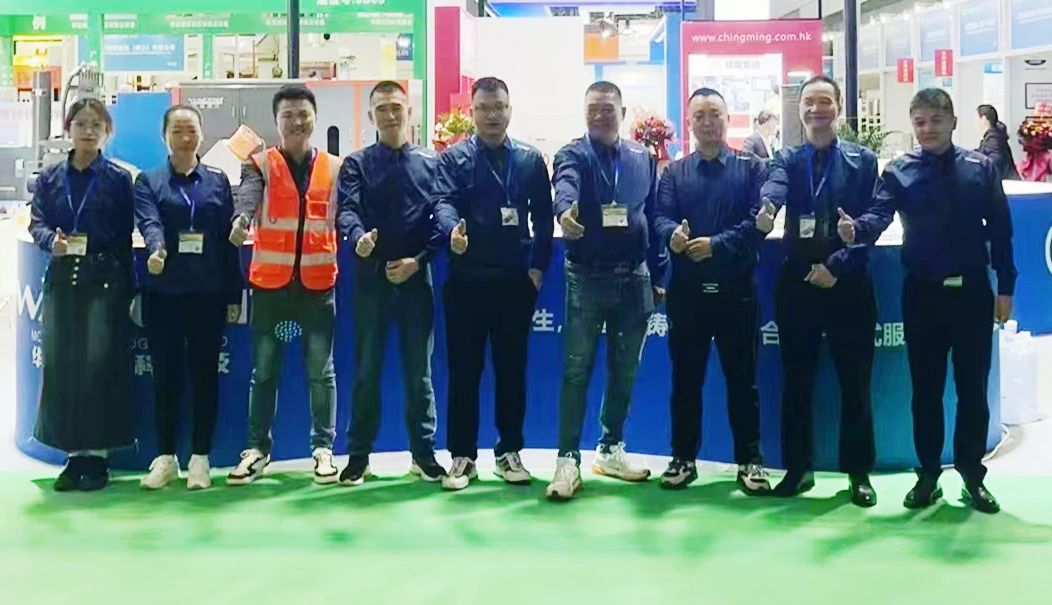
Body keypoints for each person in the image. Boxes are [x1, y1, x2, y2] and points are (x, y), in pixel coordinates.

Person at [856, 89, 1016, 514]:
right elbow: (879, 214)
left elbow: (1001, 231)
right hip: (922, 295)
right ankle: (928, 475)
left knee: (972, 390)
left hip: (973, 295)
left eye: (936, 120)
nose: (927, 129)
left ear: (953, 122)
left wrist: (1006, 287)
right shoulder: (899, 171)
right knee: (925, 391)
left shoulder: (980, 168)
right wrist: (857, 230)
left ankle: (972, 475)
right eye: (920, 122)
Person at [755, 75, 883, 508]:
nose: (816, 109)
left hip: (848, 282)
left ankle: (858, 472)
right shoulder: (788, 159)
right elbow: (774, 186)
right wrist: (768, 208)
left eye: (825, 101)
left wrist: (837, 266)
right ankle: (798, 468)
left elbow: (872, 222)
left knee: (855, 381)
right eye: (809, 102)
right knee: (797, 380)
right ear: (800, 110)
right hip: (799, 282)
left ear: (839, 107)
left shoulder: (863, 161)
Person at [545, 81, 668, 501]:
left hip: (635, 276)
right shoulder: (573, 154)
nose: (599, 115)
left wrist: (659, 274)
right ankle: (567, 460)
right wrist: (565, 211)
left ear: (623, 112)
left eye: (607, 108)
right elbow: (565, 185)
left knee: (625, 367)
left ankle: (610, 447)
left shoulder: (643, 157)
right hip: (587, 276)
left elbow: (654, 215)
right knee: (576, 368)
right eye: (593, 108)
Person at [432, 77, 554, 490]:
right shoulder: (454, 159)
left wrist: (537, 270)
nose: (492, 115)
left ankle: (509, 452)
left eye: (499, 107)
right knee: (464, 372)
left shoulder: (529, 160)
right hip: (466, 281)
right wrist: (452, 230)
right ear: (471, 113)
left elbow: (544, 217)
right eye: (483, 108)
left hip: (514, 284)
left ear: (510, 110)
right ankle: (462, 456)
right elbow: (442, 202)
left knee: (511, 371)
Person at [653, 87, 770, 494]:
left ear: (728, 119)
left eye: (714, 114)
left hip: (737, 292)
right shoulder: (674, 173)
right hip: (687, 295)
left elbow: (759, 222)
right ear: (689, 122)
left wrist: (716, 244)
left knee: (743, 381)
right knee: (685, 381)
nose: (707, 122)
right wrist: (673, 234)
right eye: (699, 115)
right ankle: (683, 458)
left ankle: (750, 461)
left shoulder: (752, 169)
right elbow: (660, 216)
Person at [226, 84, 343, 486]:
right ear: (276, 121)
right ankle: (257, 449)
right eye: (288, 115)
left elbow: (347, 212)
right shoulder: (259, 164)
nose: (296, 122)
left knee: (321, 374)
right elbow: (248, 197)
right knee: (264, 373)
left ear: (314, 118)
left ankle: (323, 449)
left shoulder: (334, 167)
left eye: (303, 114)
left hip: (318, 287)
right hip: (271, 288)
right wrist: (242, 219)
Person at [337, 81, 446, 485]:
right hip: (372, 278)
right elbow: (347, 211)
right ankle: (358, 456)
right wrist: (358, 238)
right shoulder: (357, 164)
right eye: (381, 108)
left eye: (396, 107)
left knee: (419, 373)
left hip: (417, 278)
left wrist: (419, 261)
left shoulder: (432, 162)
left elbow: (441, 215)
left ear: (409, 112)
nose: (390, 115)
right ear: (371, 116)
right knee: (367, 370)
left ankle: (424, 454)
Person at [134, 105, 244, 490]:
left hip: (207, 295)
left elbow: (229, 243)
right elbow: (149, 221)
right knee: (165, 377)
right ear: (165, 137)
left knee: (204, 376)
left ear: (201, 134)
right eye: (177, 131)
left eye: (191, 130)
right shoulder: (148, 181)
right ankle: (165, 458)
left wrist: (234, 292)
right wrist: (157, 249)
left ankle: (200, 458)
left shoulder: (217, 181)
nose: (185, 138)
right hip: (163, 295)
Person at [28, 98, 135, 491]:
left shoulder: (119, 179)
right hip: (62, 280)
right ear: (68, 129)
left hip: (104, 281)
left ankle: (98, 458)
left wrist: (129, 289)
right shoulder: (50, 177)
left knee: (99, 366)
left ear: (107, 132)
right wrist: (49, 241)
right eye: (81, 124)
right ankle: (74, 458)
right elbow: (37, 222)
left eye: (96, 125)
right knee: (64, 366)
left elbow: (124, 237)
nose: (89, 131)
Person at [975, 104, 1020, 180]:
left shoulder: (993, 140)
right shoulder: (994, 137)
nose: (975, 123)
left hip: (1005, 183)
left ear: (983, 119)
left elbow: (993, 163)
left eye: (976, 119)